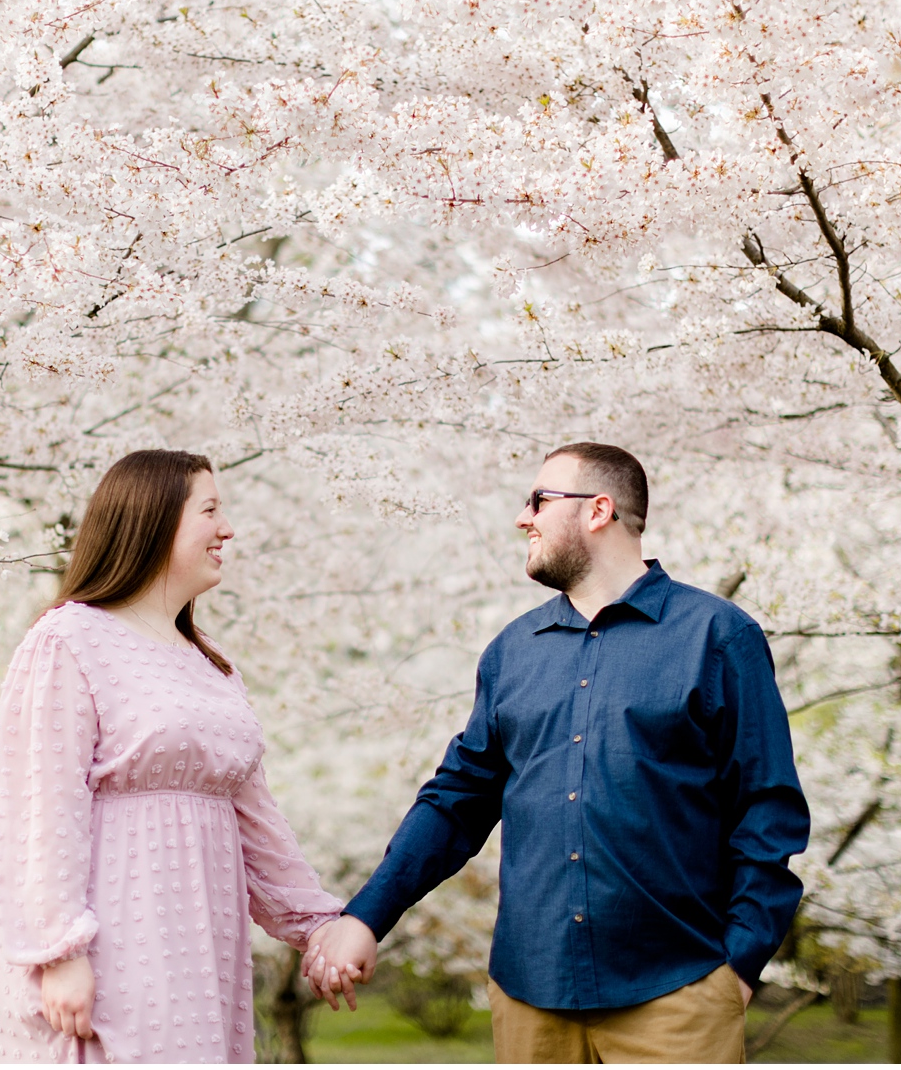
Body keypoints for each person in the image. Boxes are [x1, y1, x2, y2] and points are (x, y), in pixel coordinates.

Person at [305, 443, 810, 1063]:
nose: (524, 517)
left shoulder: (717, 636)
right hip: (528, 998)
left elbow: (768, 810)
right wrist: (365, 917)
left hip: (680, 994)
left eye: (540, 500)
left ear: (599, 510)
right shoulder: (512, 652)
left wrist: (739, 964)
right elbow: (455, 802)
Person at [0, 449, 343, 1064]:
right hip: (109, 940)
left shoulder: (213, 664)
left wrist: (321, 925)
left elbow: (257, 819)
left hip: (199, 942)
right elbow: (39, 806)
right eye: (210, 510)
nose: (227, 529)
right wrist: (60, 953)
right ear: (153, 521)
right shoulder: (67, 639)